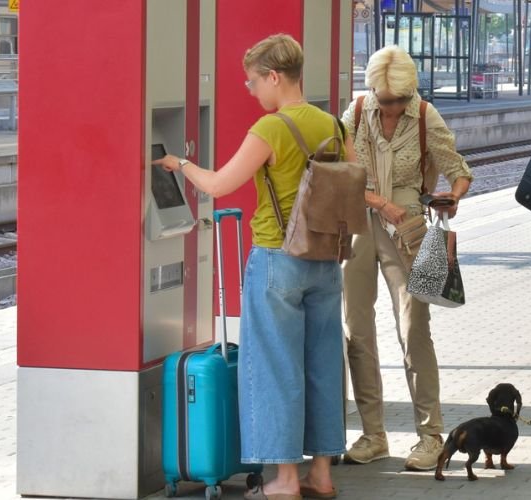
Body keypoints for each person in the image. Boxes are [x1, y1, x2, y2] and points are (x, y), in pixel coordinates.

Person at [153, 34, 346, 499]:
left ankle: (282, 481)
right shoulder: (331, 125)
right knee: (321, 367)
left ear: (274, 77)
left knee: (276, 370)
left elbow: (219, 184)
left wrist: (180, 164)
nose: (253, 90)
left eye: (254, 81)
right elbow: (352, 182)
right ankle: (320, 475)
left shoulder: (271, 128)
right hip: (325, 260)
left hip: (278, 260)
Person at [339, 45, 473, 471]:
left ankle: (430, 435)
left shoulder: (425, 115)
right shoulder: (357, 112)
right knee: (356, 330)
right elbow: (338, 173)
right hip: (359, 223)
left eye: (398, 100)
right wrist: (379, 202)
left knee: (414, 329)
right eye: (385, 99)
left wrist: (452, 196)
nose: (392, 106)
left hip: (409, 231)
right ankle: (373, 434)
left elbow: (459, 169)